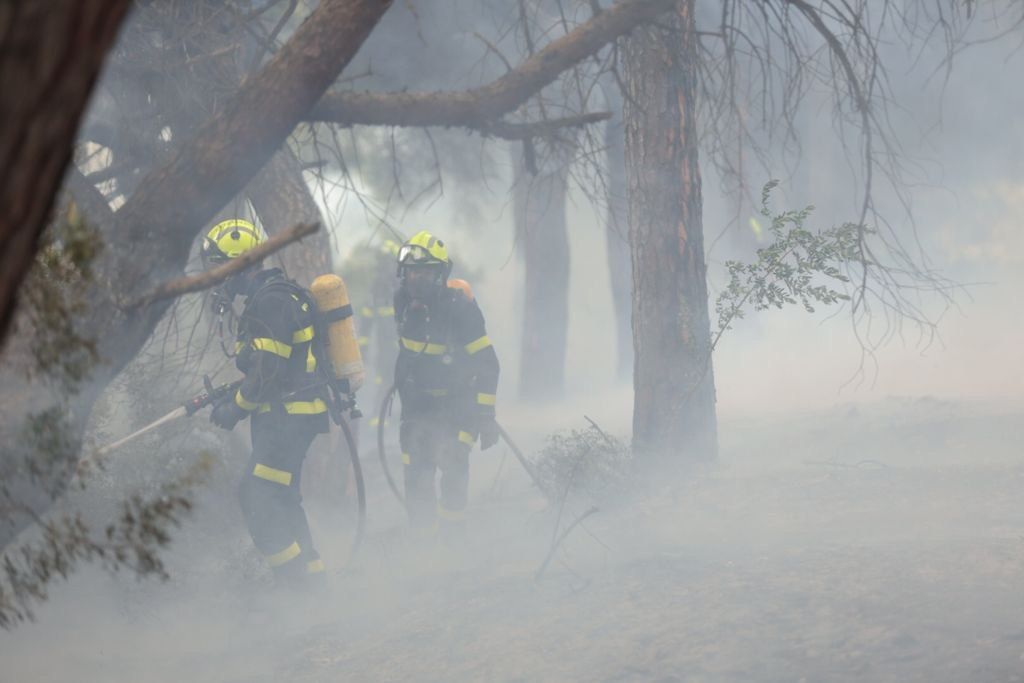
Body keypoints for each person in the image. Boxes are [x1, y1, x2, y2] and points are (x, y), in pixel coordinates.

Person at [202, 218, 330, 588]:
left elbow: (269, 373)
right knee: (282, 496)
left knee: (256, 495)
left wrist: (235, 407)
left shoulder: (268, 303)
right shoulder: (276, 296)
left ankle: (295, 586)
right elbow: (274, 367)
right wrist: (234, 393)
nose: (218, 279)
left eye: (222, 269)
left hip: (287, 419)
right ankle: (314, 582)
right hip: (293, 416)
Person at [393, 230, 500, 534]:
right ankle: (422, 545)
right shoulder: (401, 301)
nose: (416, 280)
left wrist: (486, 416)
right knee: (416, 474)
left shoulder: (460, 309)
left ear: (440, 275)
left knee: (453, 470)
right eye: (412, 272)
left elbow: (489, 364)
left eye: (425, 273)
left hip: (458, 406)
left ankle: (453, 545)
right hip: (418, 408)